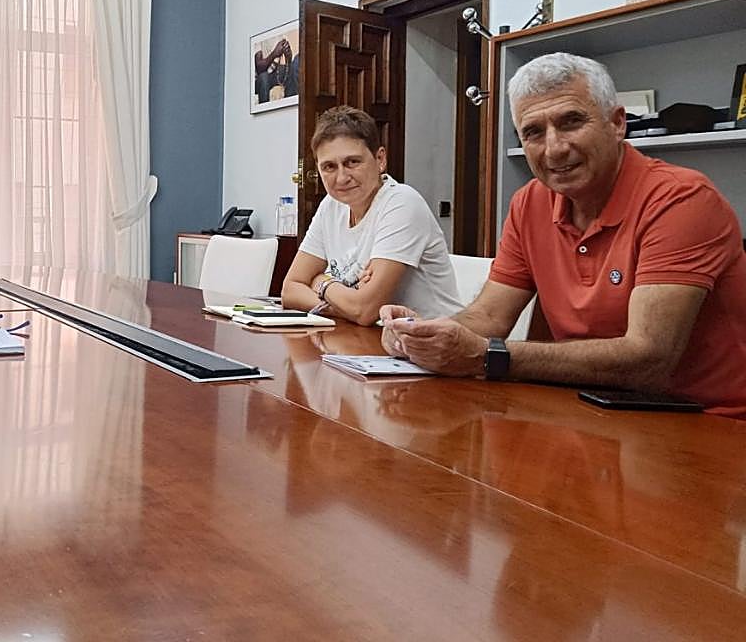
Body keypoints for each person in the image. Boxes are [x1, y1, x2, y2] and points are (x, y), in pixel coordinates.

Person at [381, 52, 746, 418]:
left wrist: (487, 356)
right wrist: (420, 336)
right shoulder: (529, 202)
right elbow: (489, 316)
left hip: (709, 422)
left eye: (571, 122)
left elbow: (649, 358)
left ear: (617, 123)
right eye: (533, 132)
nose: (554, 149)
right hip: (589, 407)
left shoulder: (681, 199)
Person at [282, 106, 461, 325]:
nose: (341, 178)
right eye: (329, 167)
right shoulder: (331, 206)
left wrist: (321, 283)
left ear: (380, 159)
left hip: (433, 339)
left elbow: (364, 310)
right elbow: (290, 289)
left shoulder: (402, 203)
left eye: (352, 162)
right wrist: (346, 303)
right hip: (372, 336)